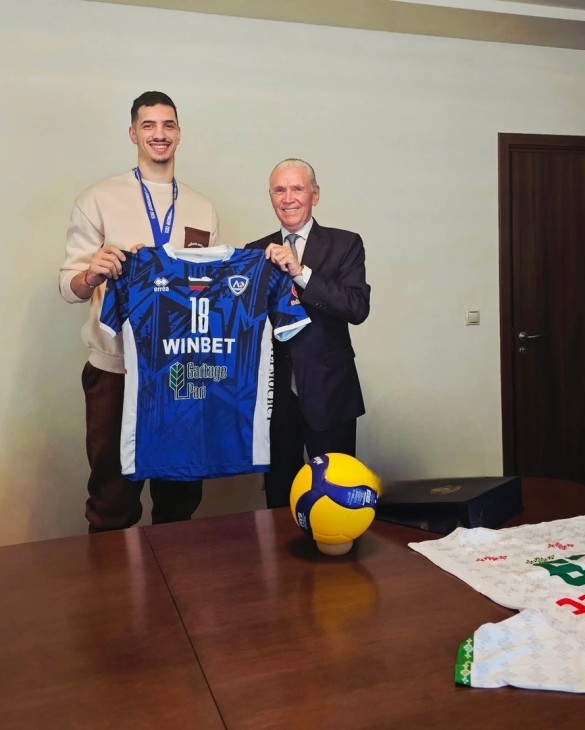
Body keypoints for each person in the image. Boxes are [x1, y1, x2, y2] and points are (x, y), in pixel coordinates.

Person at [59, 91, 219, 531]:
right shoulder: (97, 198)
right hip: (117, 370)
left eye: (168, 125)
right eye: (149, 125)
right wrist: (92, 273)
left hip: (180, 371)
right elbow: (68, 287)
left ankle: (173, 576)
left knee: (179, 495)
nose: (159, 134)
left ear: (179, 133)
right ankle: (113, 576)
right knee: (112, 497)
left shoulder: (202, 207)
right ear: (133, 133)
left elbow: (208, 290)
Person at [245, 158, 370, 508]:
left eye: (297, 189)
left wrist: (301, 274)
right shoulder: (254, 252)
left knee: (338, 496)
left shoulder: (345, 244)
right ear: (271, 196)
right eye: (279, 190)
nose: (288, 198)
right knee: (279, 496)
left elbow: (356, 308)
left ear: (315, 195)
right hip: (274, 397)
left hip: (331, 391)